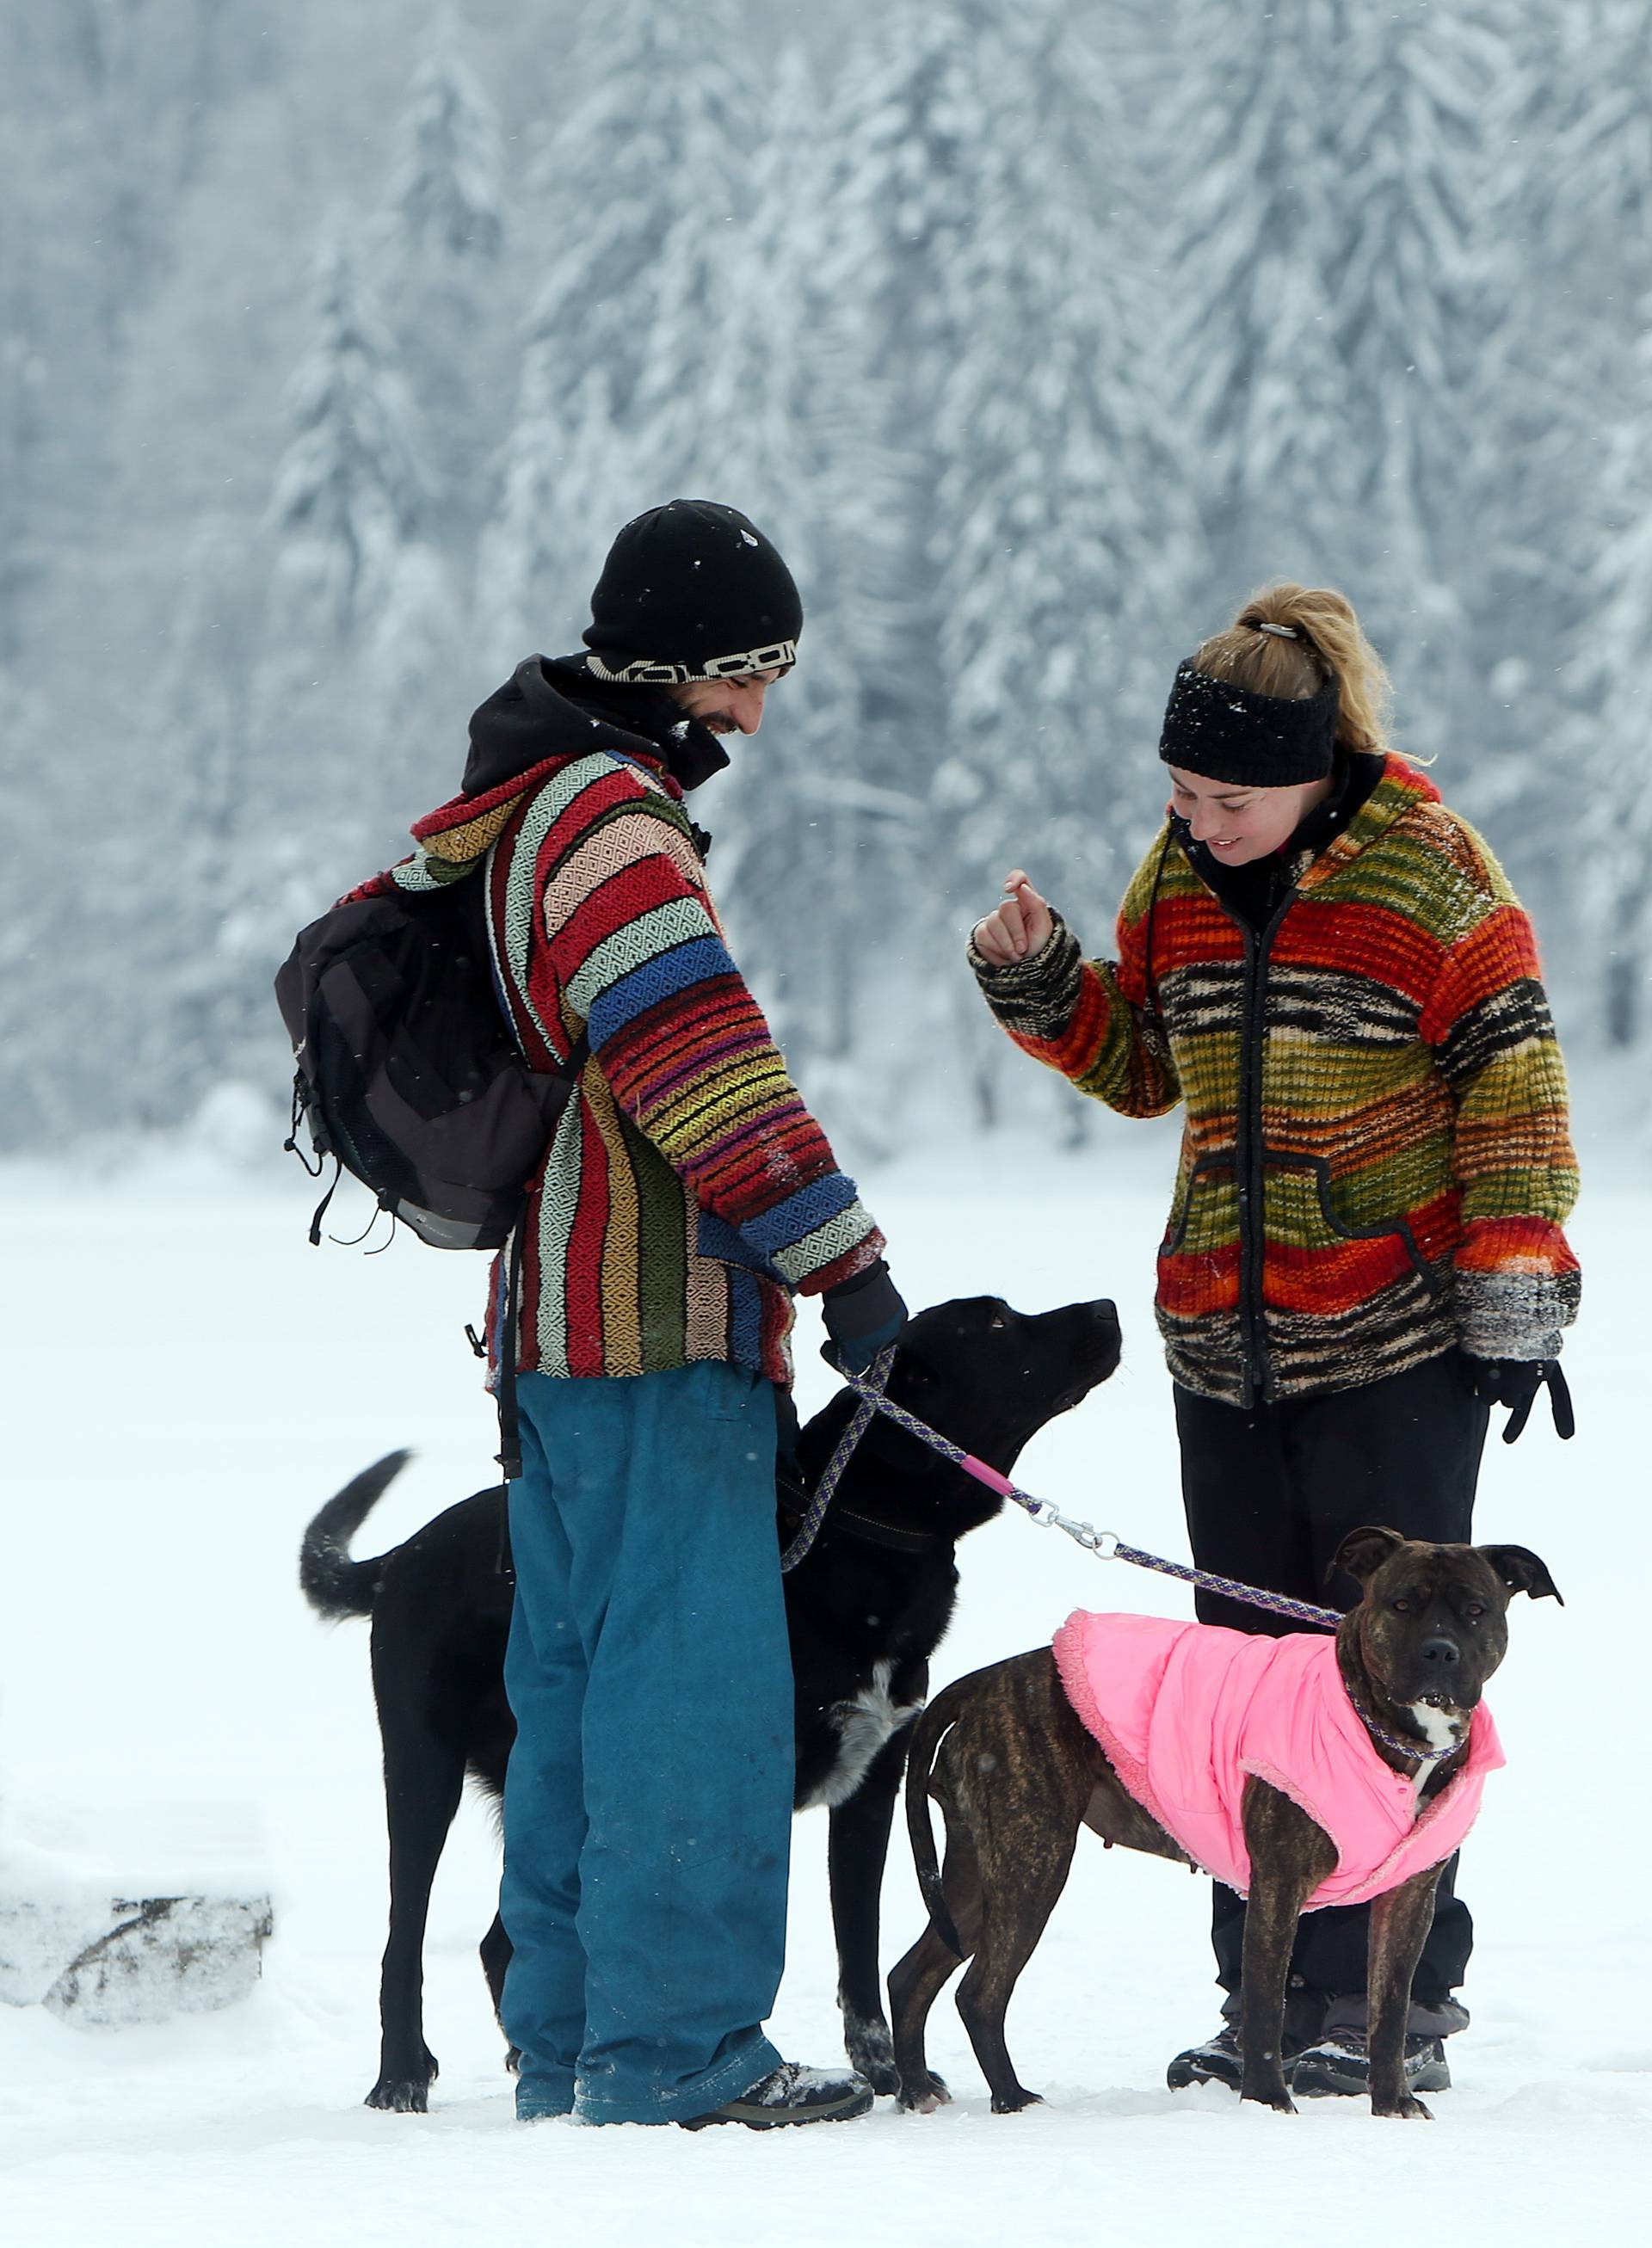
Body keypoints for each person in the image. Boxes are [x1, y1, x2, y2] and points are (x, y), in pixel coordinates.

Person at [968, 582, 1579, 2100]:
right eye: (1179, 792)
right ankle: (1268, 2001)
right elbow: (1142, 1064)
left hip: (1394, 1343)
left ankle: (1396, 1996)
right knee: (1252, 1682)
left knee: (1390, 1675)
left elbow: (1515, 1080)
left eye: (1228, 798)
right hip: (1221, 1353)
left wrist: (1514, 1289)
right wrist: (1048, 981)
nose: (1199, 820)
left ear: (1317, 771)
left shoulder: (1431, 877)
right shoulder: (1176, 881)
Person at [392, 500, 905, 2128]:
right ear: (674, 665)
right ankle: (678, 2051)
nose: (758, 711)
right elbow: (702, 1067)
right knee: (691, 1693)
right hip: (649, 1329)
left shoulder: (532, 802)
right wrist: (846, 1261)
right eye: (746, 675)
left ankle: (570, 2038)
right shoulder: (612, 820)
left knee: (576, 1687)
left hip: (553, 1339)